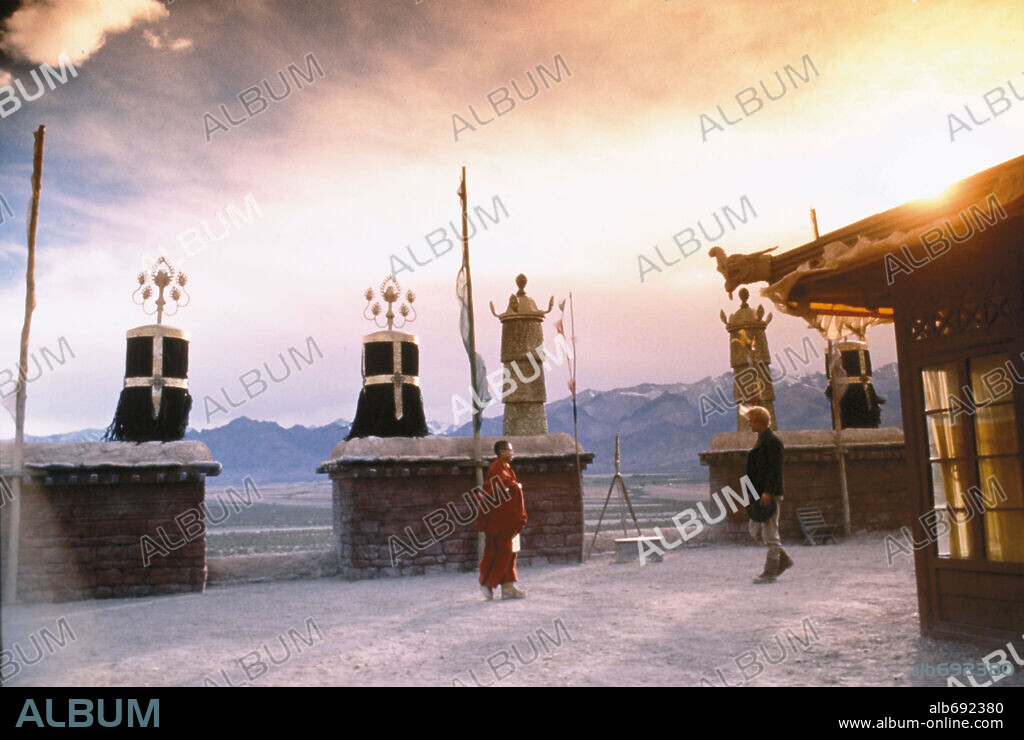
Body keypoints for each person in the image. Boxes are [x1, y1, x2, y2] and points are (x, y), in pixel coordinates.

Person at [743, 406, 794, 584]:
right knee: (755, 531)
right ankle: (783, 559)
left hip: (768, 495)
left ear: (760, 422)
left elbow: (775, 470)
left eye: (751, 421)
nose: (749, 424)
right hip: (758, 494)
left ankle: (770, 572)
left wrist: (768, 492)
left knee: (770, 534)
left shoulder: (773, 442)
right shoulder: (761, 440)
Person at [477, 440, 528, 600]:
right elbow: (502, 488)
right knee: (498, 552)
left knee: (511, 552)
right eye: (509, 450)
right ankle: (487, 584)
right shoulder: (496, 469)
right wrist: (517, 487)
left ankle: (508, 587)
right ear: (501, 451)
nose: (512, 454)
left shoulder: (507, 468)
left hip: (511, 522)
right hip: (500, 522)